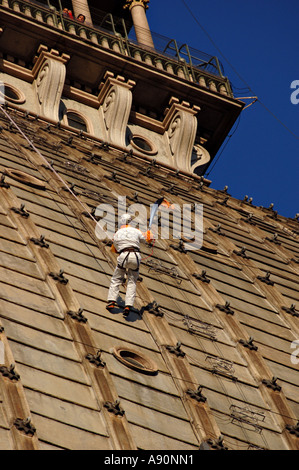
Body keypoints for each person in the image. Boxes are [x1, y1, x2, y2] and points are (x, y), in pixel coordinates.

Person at [107, 214, 153, 316]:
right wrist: (149, 235)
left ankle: (111, 301)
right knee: (132, 281)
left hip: (124, 255)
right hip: (136, 256)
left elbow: (113, 249)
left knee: (116, 278)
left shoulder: (117, 233)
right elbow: (147, 240)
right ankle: (128, 305)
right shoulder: (136, 231)